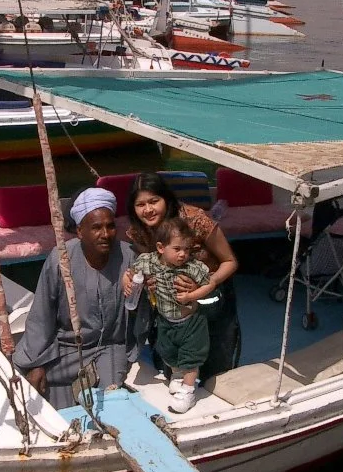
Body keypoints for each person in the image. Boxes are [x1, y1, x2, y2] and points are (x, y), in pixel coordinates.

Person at [13, 188, 137, 409]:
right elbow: (42, 314)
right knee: (30, 383)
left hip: (109, 347)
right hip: (66, 347)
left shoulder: (129, 256)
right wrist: (37, 363)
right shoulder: (61, 258)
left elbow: (139, 308)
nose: (105, 234)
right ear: (80, 231)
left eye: (110, 226)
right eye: (96, 227)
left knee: (110, 402)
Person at [126, 172, 241, 380]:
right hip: (170, 308)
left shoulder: (195, 219)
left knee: (216, 367)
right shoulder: (139, 231)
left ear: (166, 199)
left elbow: (230, 262)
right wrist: (141, 280)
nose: (148, 210)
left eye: (154, 201)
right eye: (140, 204)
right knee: (172, 364)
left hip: (211, 298)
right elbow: (148, 262)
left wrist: (205, 284)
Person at [128, 218, 215, 413]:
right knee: (168, 351)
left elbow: (210, 284)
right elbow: (133, 271)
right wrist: (130, 281)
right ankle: (177, 375)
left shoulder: (192, 267)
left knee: (191, 358)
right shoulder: (149, 262)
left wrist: (191, 295)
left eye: (187, 249)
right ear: (161, 248)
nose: (183, 254)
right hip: (166, 319)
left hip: (190, 322)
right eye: (177, 249)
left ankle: (188, 391)